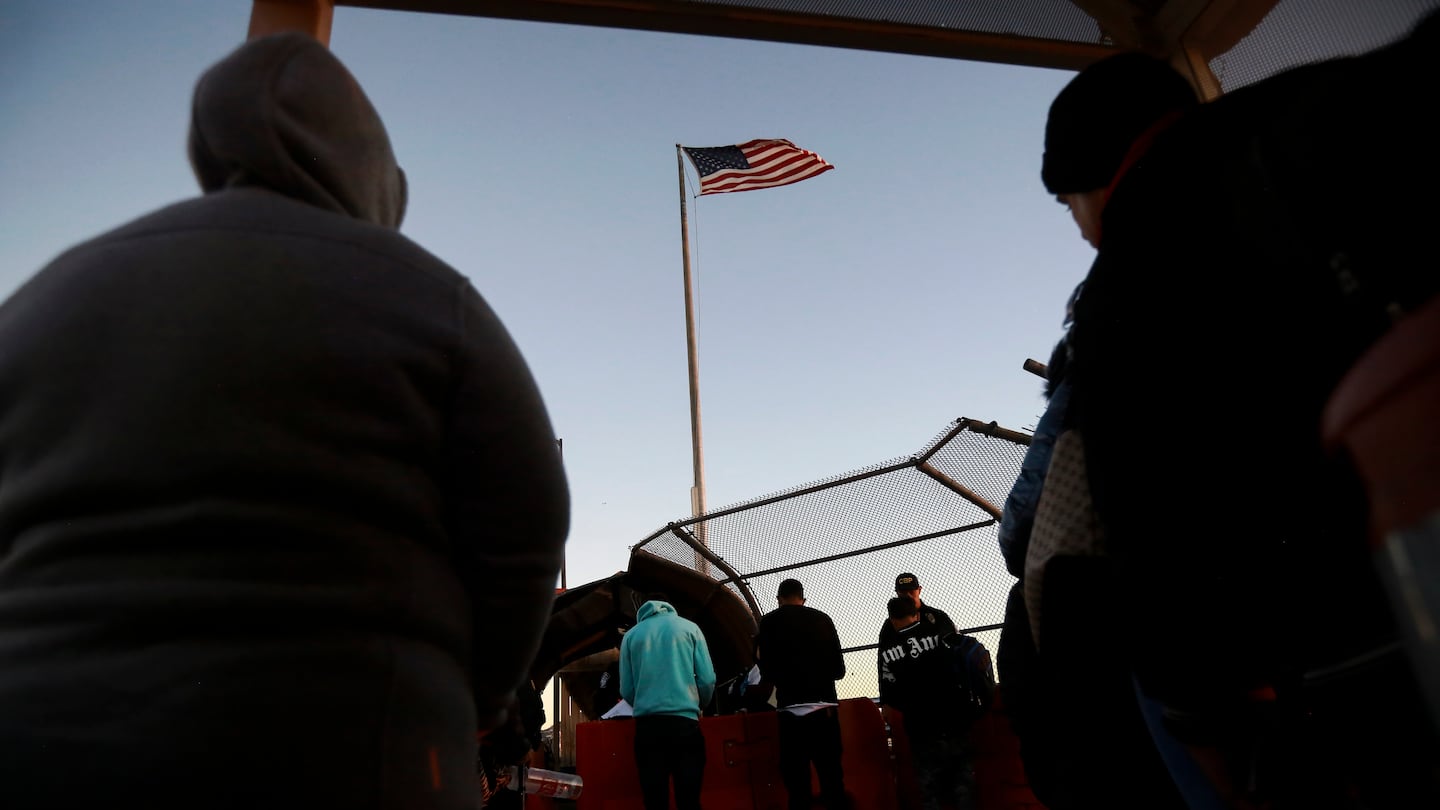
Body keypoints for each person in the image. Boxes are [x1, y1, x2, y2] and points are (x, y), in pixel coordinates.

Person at [0, 32, 569, 810]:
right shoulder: (433, 297)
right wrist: (482, 698)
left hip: (42, 735)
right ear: (372, 171)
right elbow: (525, 535)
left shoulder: (49, 292)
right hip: (364, 742)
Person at [1051, 12, 1440, 807]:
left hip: (1356, 648)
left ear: (1088, 184)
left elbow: (1153, 531)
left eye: (1070, 209)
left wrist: (1204, 726)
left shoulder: (1124, 283)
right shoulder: (1332, 108)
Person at [755, 578, 850, 810]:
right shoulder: (822, 619)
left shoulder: (768, 623)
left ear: (779, 600)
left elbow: (765, 670)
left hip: (790, 713)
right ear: (803, 598)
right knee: (832, 780)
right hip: (824, 710)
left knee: (797, 786)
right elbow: (839, 670)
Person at [619, 597, 717, 810]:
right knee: (689, 798)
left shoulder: (631, 636)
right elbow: (707, 679)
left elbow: (626, 689)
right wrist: (701, 705)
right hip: (686, 725)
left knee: (655, 800)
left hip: (648, 729)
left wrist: (644, 703)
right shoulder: (690, 628)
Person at [879, 596, 976, 810]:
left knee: (929, 789)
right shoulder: (940, 636)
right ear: (916, 615)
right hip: (954, 719)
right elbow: (963, 665)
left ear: (893, 621)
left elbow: (891, 692)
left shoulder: (888, 653)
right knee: (963, 784)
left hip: (920, 728)